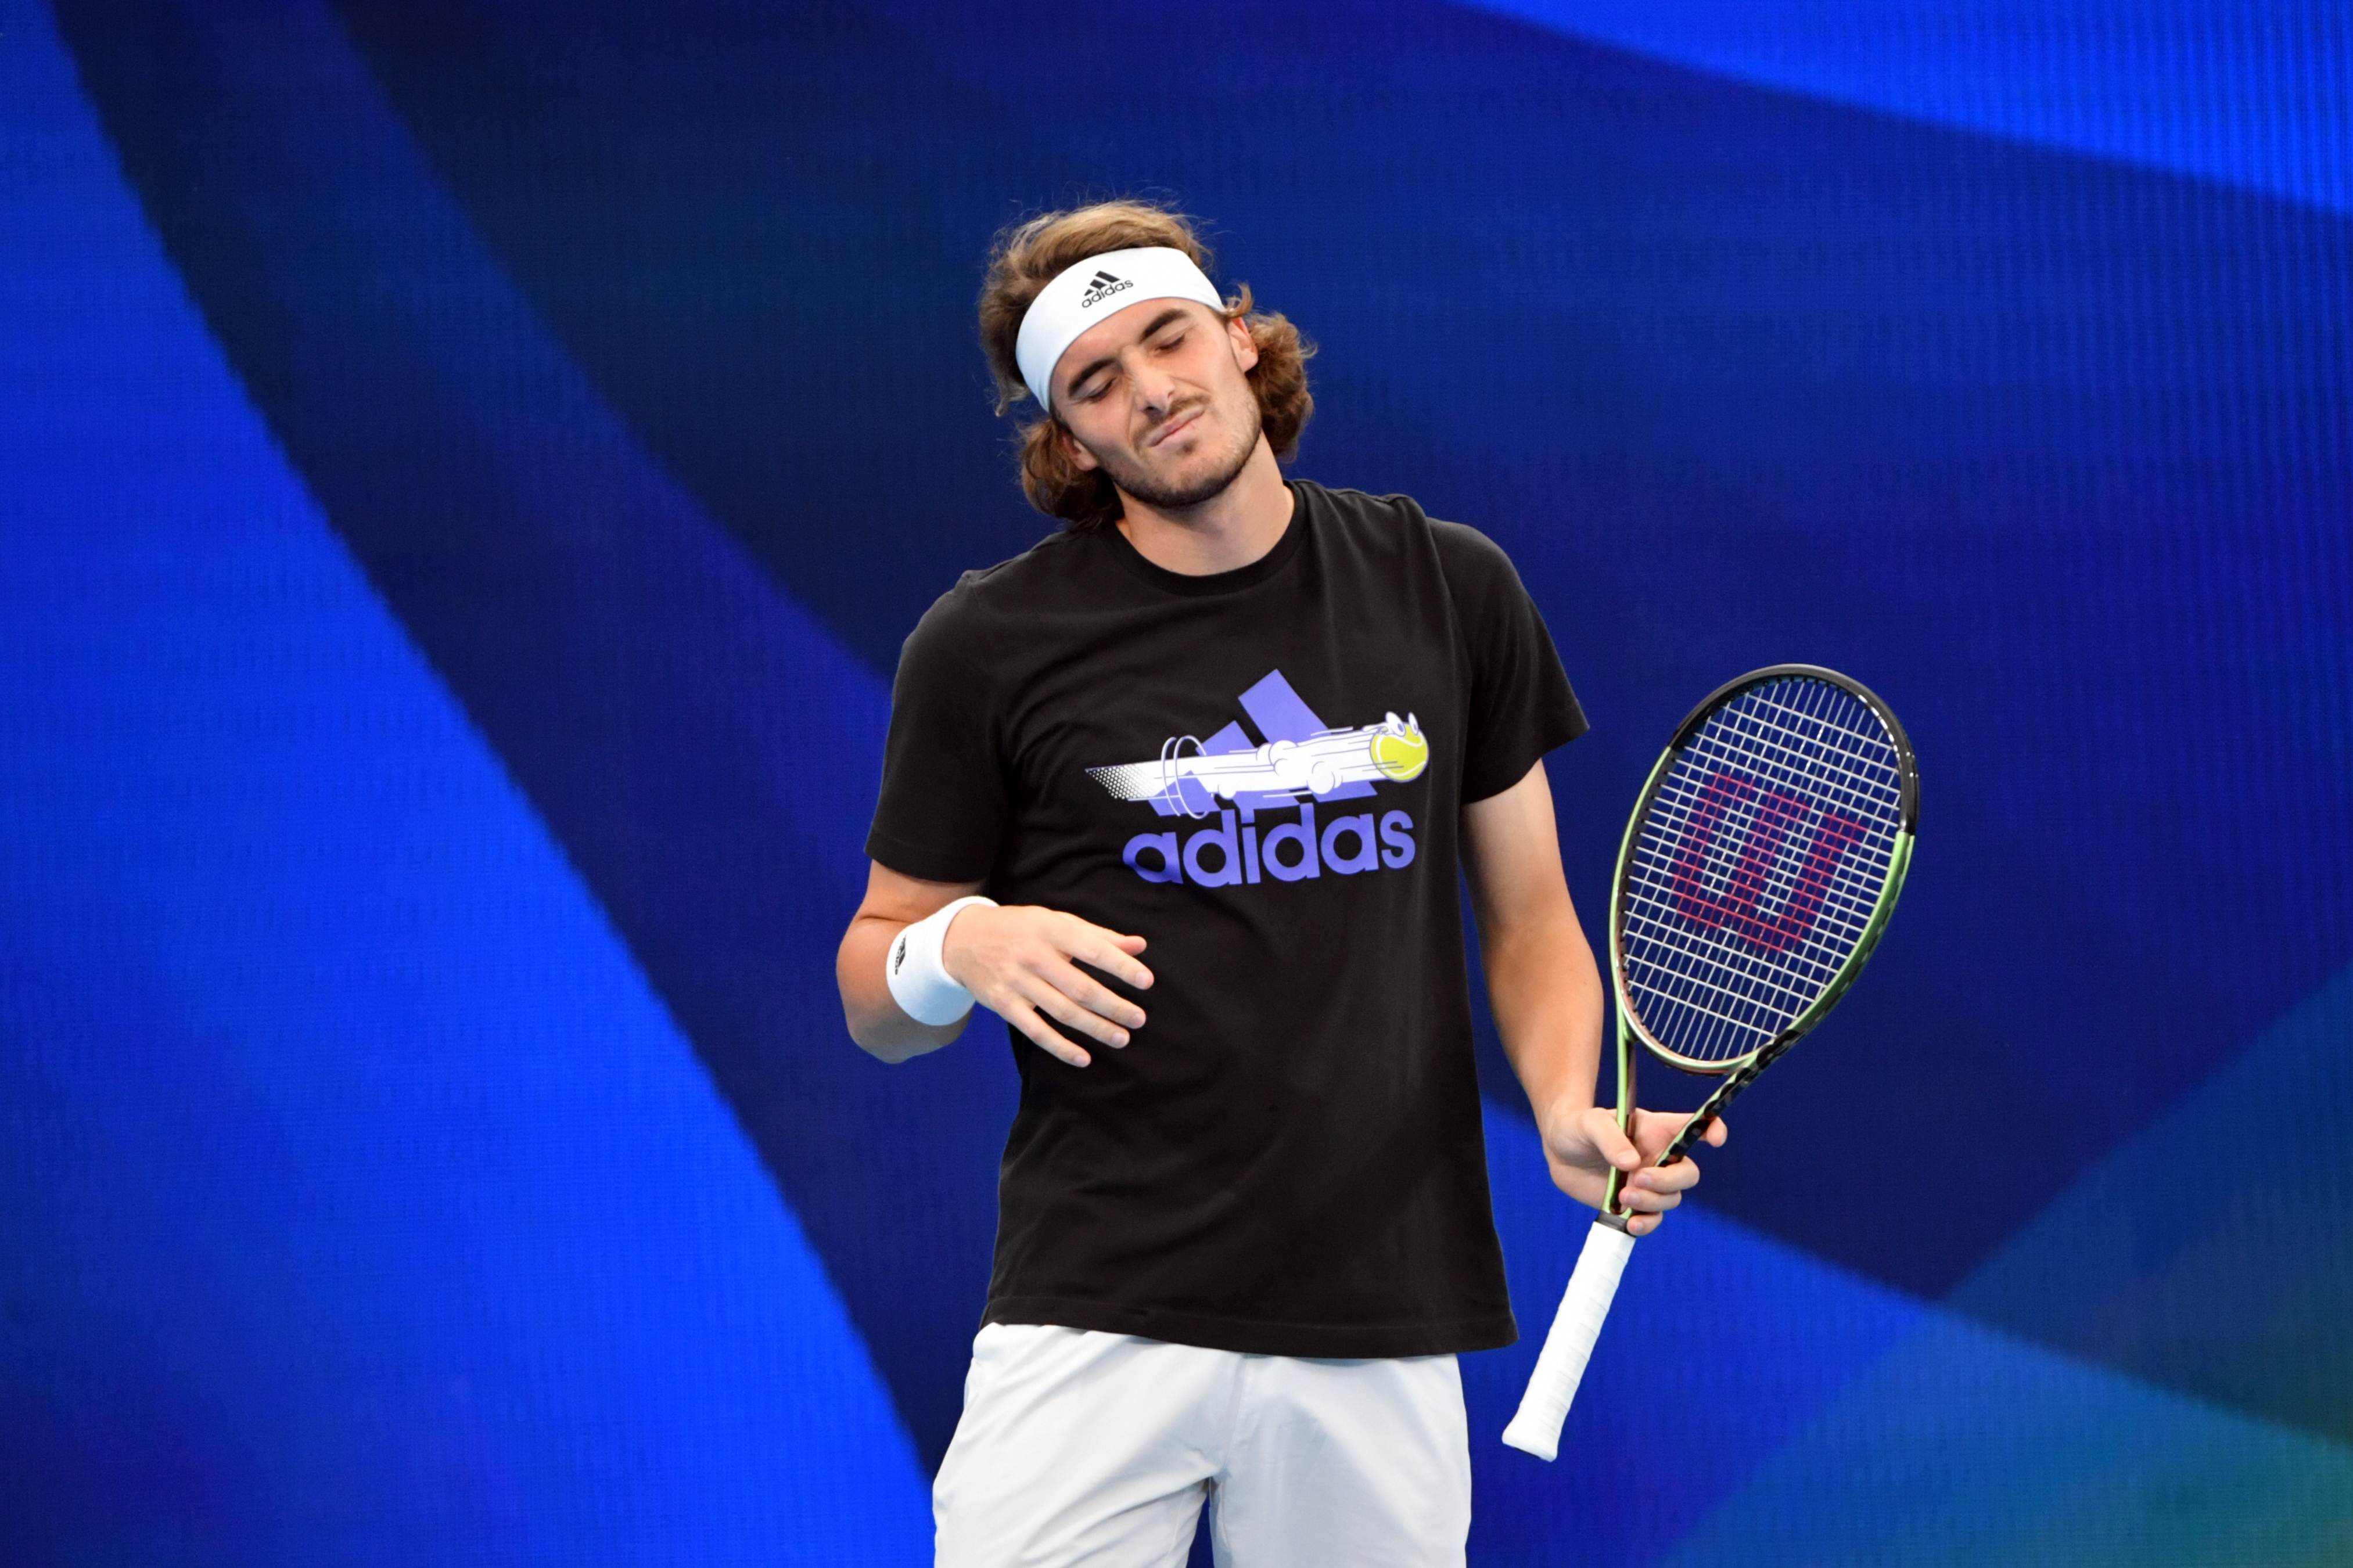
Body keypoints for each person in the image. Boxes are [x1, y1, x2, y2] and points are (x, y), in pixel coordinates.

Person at [836, 199, 1722, 1567]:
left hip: (1378, 1314)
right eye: (1097, 383)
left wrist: (1561, 1106)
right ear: (1070, 441)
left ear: (1241, 340)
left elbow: (1532, 917)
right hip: (1095, 1315)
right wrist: (960, 946)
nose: (1152, 390)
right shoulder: (985, 645)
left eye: (1168, 338)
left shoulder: (1449, 586)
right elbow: (874, 994)